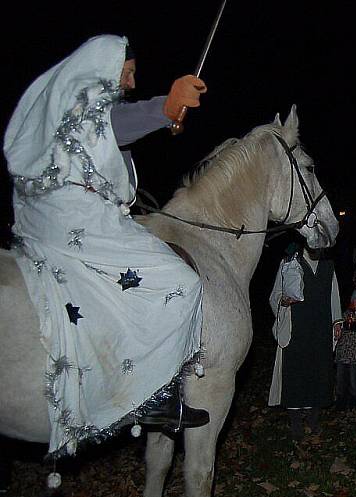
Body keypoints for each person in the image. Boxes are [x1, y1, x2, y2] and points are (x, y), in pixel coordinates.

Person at [4, 35, 209, 455]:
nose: (130, 83)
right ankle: (154, 395)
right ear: (103, 69)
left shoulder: (66, 107)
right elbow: (114, 123)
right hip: (80, 222)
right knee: (181, 283)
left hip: (53, 223)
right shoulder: (83, 106)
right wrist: (163, 105)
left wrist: (159, 119)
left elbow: (113, 135)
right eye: (128, 73)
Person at [269, 247, 341, 440]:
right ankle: (295, 422)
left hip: (321, 329)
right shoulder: (289, 262)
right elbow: (275, 295)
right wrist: (283, 301)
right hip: (296, 329)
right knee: (295, 372)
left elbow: (334, 295)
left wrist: (337, 321)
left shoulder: (328, 265)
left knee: (318, 372)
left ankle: (313, 419)